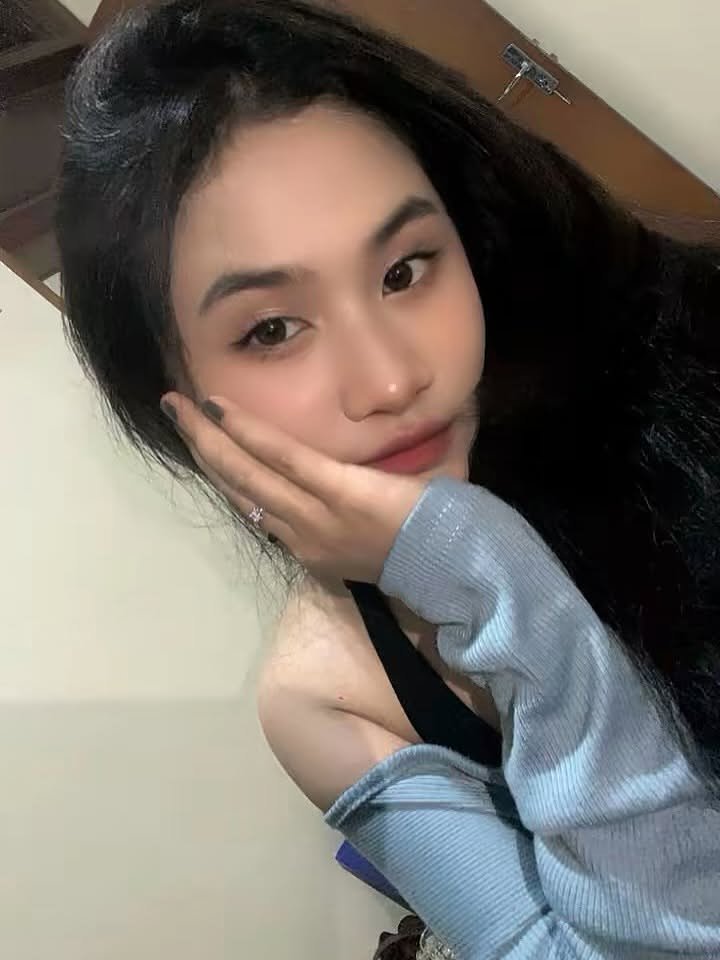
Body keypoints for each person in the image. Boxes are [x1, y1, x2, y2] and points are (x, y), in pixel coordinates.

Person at [56, 0, 720, 955]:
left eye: (405, 270)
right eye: (272, 329)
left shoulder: (683, 362)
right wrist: (485, 573)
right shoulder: (326, 698)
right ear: (177, 400)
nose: (392, 380)